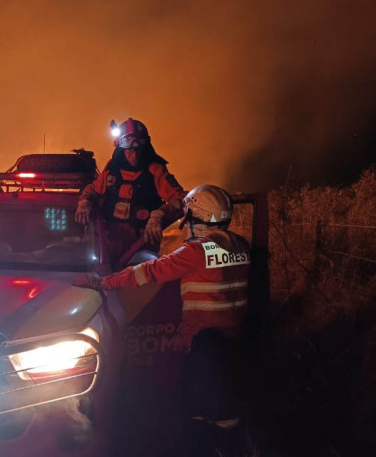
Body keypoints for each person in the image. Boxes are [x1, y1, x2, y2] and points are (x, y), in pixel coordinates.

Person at [72, 184, 250, 429]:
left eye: (188, 216)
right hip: (236, 338)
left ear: (197, 217)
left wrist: (104, 282)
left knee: (200, 411)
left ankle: (207, 446)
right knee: (227, 405)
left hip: (203, 340)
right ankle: (233, 446)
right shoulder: (240, 245)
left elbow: (149, 271)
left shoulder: (195, 251)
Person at [75, 118, 186, 263]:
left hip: (142, 247)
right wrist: (84, 201)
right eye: (129, 149)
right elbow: (93, 190)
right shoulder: (112, 169)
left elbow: (182, 199)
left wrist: (159, 215)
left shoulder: (155, 170)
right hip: (109, 246)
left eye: (138, 148)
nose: (134, 155)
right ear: (120, 147)